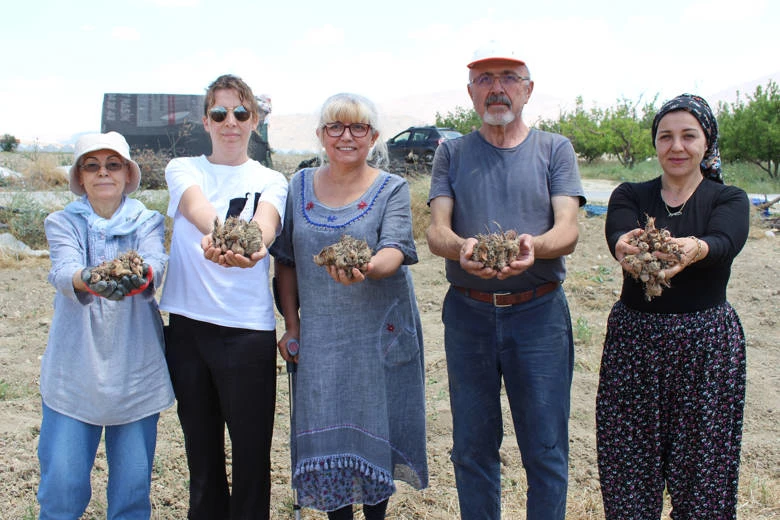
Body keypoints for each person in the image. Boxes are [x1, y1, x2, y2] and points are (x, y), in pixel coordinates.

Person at [426, 41, 585, 520]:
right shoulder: (451, 153)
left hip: (538, 314)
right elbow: (437, 232)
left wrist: (533, 246)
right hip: (469, 313)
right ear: (471, 92)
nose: (498, 88)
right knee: (472, 447)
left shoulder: (554, 148)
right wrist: (462, 248)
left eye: (509, 77)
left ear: (528, 89)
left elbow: (568, 229)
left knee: (546, 447)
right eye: (485, 79)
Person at [271, 93, 428, 520]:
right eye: (335, 127)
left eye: (358, 127)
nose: (346, 136)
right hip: (321, 335)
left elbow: (396, 247)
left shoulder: (391, 188)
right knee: (329, 439)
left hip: (377, 333)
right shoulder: (297, 186)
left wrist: (370, 266)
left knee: (373, 435)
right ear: (321, 135)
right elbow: (285, 261)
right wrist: (292, 323)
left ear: (373, 136)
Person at [597, 93, 749, 519]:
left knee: (703, 475)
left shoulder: (728, 198)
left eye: (688, 136)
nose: (676, 147)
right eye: (666, 136)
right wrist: (621, 246)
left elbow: (726, 241)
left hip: (706, 349)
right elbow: (618, 235)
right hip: (634, 346)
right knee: (628, 469)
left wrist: (695, 248)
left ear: (706, 143)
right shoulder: (631, 194)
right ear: (656, 143)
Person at [160, 74, 288, 519]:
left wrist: (252, 247)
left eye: (240, 113)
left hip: (247, 333)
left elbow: (267, 227)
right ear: (206, 121)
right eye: (220, 113)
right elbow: (197, 209)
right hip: (189, 331)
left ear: (254, 120)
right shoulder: (184, 168)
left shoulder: (272, 178)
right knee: (202, 453)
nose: (229, 122)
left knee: (252, 456)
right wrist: (226, 233)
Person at [38, 131, 173, 519]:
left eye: (113, 165)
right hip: (74, 366)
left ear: (127, 173)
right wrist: (91, 278)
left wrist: (141, 275)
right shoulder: (62, 221)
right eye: (92, 165)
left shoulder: (147, 220)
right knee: (62, 486)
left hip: (135, 365)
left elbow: (155, 265)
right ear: (80, 176)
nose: (103, 173)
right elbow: (64, 271)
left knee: (132, 491)